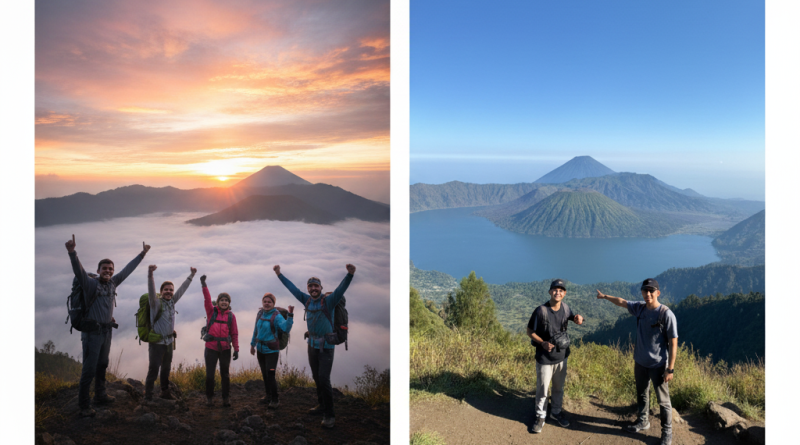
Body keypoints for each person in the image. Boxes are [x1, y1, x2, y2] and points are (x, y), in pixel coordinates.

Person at [65, 235, 149, 417]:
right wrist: (72, 252)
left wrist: (142, 254)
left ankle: (100, 395)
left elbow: (128, 270)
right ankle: (84, 405)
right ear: (98, 270)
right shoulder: (90, 284)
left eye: (111, 269)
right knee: (89, 368)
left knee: (102, 364)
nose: (108, 271)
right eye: (105, 269)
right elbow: (78, 271)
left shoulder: (112, 283)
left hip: (106, 331)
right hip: (92, 333)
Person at [597, 278, 678, 445]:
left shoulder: (666, 314)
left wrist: (670, 369)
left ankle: (667, 432)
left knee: (663, 400)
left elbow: (673, 342)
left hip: (658, 365)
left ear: (658, 293)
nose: (647, 294)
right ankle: (643, 421)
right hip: (640, 362)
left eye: (651, 291)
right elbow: (622, 302)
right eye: (644, 291)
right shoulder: (640, 308)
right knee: (642, 394)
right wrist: (605, 296)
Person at [274, 263, 356, 428]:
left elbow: (341, 289)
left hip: (326, 347)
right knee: (316, 377)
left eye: (315, 286)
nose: (313, 288)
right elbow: (293, 289)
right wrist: (279, 275)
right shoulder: (306, 300)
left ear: (320, 287)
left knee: (324, 379)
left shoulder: (329, 301)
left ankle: (329, 415)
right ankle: (321, 406)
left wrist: (350, 275)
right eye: (310, 286)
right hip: (311, 345)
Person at [527, 279, 584, 434]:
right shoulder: (541, 311)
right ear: (550, 292)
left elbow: (572, 317)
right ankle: (540, 416)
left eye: (561, 290)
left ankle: (556, 412)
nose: (558, 292)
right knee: (543, 389)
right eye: (555, 290)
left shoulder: (565, 308)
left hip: (562, 357)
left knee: (558, 388)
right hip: (544, 358)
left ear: (564, 293)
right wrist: (542, 343)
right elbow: (529, 331)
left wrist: (578, 319)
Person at [144, 264, 196, 401]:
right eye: (166, 290)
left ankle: (164, 391)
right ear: (161, 292)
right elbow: (151, 290)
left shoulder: (172, 302)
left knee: (166, 369)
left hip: (169, 342)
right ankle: (148, 395)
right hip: (156, 343)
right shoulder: (155, 304)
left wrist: (191, 276)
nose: (169, 292)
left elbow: (182, 290)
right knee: (154, 369)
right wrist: (150, 274)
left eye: (170, 290)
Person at [200, 274, 239, 407]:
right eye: (221, 300)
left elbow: (234, 333)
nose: (223, 302)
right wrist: (204, 284)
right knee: (210, 375)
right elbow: (207, 299)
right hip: (211, 348)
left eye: (226, 300)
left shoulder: (231, 316)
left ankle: (225, 398)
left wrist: (236, 349)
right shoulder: (212, 312)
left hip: (225, 349)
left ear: (229, 303)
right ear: (217, 302)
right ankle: (209, 398)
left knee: (225, 375)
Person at [250, 293, 294, 408]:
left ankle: (275, 399)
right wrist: (252, 344)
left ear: (273, 304)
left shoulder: (277, 316)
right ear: (262, 303)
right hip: (260, 349)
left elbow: (285, 328)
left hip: (271, 351)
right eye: (265, 301)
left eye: (269, 302)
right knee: (264, 374)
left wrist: (290, 316)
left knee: (270, 374)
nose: (267, 304)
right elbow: (256, 329)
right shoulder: (260, 313)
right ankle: (268, 396)